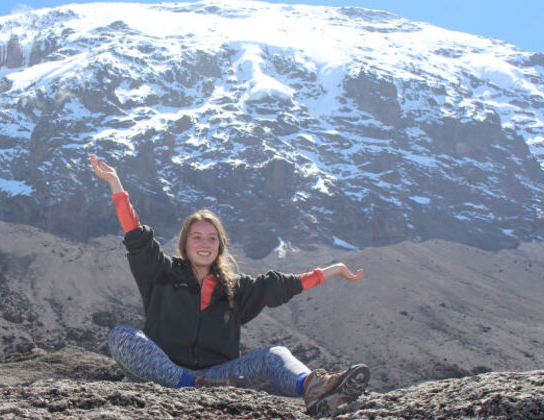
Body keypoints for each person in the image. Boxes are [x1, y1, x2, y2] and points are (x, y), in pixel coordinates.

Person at [90, 155, 370, 417]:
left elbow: (282, 286)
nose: (204, 244)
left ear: (220, 246)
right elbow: (136, 236)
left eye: (211, 238)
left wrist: (331, 271)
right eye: (197, 237)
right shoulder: (161, 273)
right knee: (122, 336)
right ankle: (188, 383)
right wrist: (116, 184)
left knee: (275, 355)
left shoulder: (236, 289)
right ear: (185, 243)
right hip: (165, 370)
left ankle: (315, 388)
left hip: (220, 377)